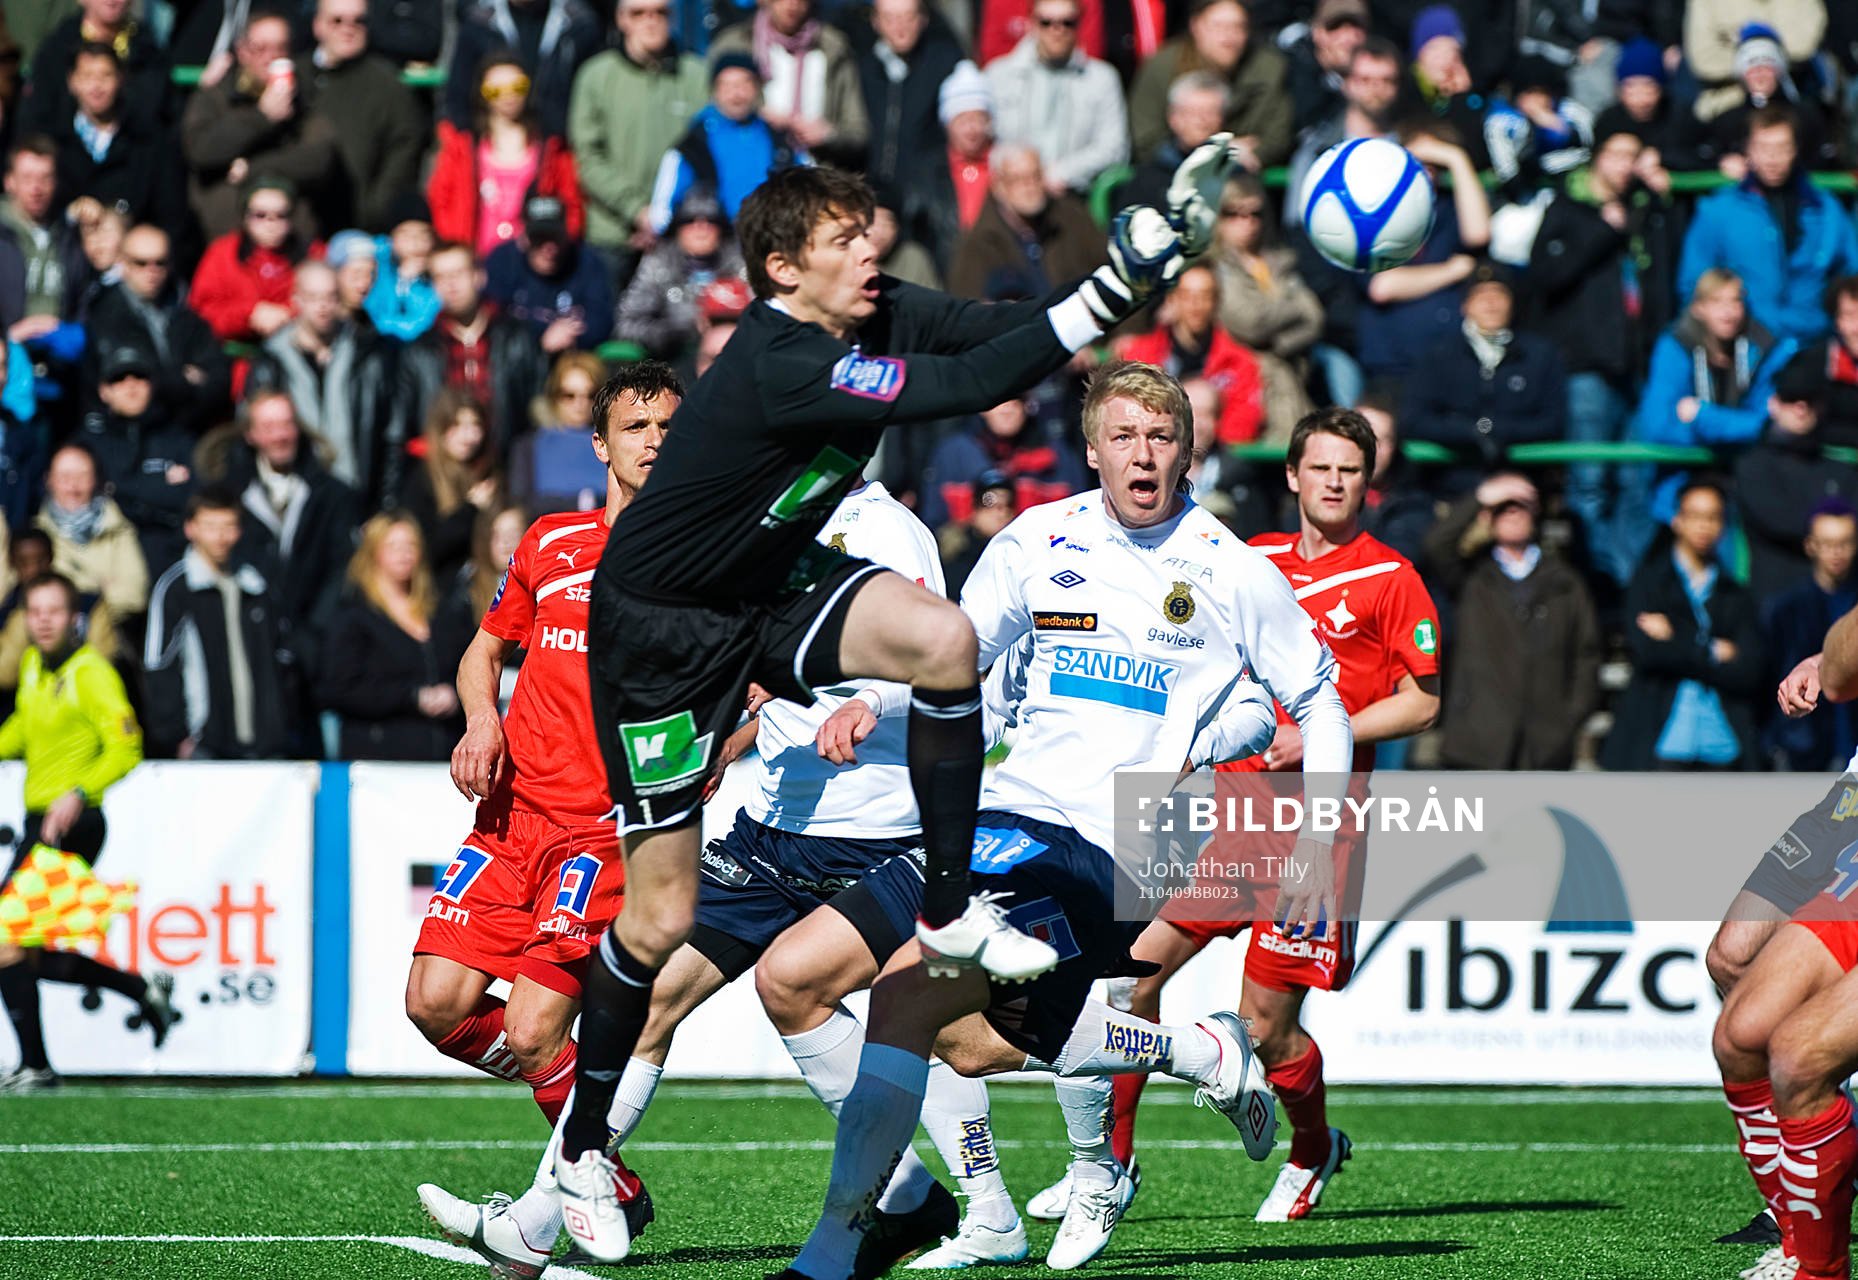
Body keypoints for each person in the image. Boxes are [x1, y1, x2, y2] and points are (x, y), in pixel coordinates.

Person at [549, 156, 1225, 1260]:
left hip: (763, 587)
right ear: (783, 266)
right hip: (660, 631)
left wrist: (1119, 278)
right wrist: (1112, 287)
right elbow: (961, 387)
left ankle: (948, 902)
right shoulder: (781, 358)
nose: (873, 250)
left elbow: (989, 331)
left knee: (941, 638)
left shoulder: (871, 310)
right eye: (844, 239)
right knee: (660, 919)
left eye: (869, 229)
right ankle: (580, 1147)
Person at [772, 363, 1351, 1279]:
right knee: (803, 981)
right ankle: (1196, 1052)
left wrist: (1317, 841)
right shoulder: (1039, 538)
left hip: (1113, 842)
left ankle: (833, 1253)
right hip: (997, 814)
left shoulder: (1231, 570)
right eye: (1122, 436)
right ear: (1091, 450)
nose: (1142, 454)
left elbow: (1320, 704)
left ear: (1188, 450)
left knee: (906, 995)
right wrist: (879, 704)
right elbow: (953, 647)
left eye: (1161, 437)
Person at [1084, 405, 1435, 1234]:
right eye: (1319, 467)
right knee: (1127, 980)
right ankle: (1111, 1164)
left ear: (1367, 482)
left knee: (1267, 1033)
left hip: (1320, 832)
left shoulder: (1392, 578)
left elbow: (1421, 703)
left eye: (1349, 470)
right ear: (1291, 476)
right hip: (1225, 823)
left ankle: (1313, 1149)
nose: (1334, 482)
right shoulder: (1250, 559)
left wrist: (1313, 730)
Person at [405, 364, 685, 1273]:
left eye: (668, 426)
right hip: (508, 817)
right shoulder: (550, 541)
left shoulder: (699, 559)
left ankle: (582, 1164)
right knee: (434, 1007)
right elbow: (482, 655)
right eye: (635, 425)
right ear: (600, 444)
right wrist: (482, 719)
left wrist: (703, 762)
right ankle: (603, 1166)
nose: (653, 439)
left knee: (531, 1032)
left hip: (599, 831)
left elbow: (746, 687)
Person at [0, 570, 169, 1093]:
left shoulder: (90, 670)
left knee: (7, 940)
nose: (44, 621)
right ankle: (139, 989)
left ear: (74, 618)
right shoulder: (32, 666)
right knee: (27, 954)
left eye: (54, 611)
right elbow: (23, 733)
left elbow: (126, 745)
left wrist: (79, 790)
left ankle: (37, 1066)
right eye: (35, 611)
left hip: (73, 823)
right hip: (40, 822)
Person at [1527, 122, 1676, 584]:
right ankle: (1603, 586)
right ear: (1597, 158)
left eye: (1633, 155)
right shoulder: (1567, 206)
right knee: (1587, 486)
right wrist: (1602, 232)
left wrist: (1663, 201)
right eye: (1616, 153)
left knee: (1637, 482)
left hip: (1639, 366)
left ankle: (1629, 586)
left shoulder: (1643, 209)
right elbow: (1545, 276)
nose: (1624, 165)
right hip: (1586, 368)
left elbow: (1671, 274)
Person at [1422, 471, 1600, 768]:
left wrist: (1568, 720)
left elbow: (1587, 655)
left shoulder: (1566, 582)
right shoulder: (1471, 576)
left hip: (1543, 746)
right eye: (1502, 507)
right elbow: (1435, 545)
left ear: (1537, 512)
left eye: (1521, 504)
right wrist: (1481, 496)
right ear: (1487, 516)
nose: (1513, 513)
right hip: (1476, 742)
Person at [1603, 477, 1766, 771]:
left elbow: (1750, 669)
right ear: (1677, 519)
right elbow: (1648, 653)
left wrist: (1677, 636)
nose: (1704, 526)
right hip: (1662, 743)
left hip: (1723, 746)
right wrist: (1714, 651)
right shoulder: (1649, 583)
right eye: (1695, 516)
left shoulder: (1736, 594)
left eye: (1713, 517)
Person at [1678, 106, 1858, 347]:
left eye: (1781, 148)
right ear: (1749, 150)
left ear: (1795, 150)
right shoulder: (1720, 210)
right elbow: (1693, 283)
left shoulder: (1826, 209)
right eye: (1764, 148)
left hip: (1815, 340)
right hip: (1747, 343)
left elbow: (1851, 271)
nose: (1772, 158)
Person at [141, 490, 300, 760]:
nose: (220, 536)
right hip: (204, 742)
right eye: (210, 526)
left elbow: (282, 656)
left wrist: (280, 721)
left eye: (228, 526)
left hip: (265, 742)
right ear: (191, 528)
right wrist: (176, 733)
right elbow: (160, 664)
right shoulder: (176, 587)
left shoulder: (257, 585)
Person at [1635, 268, 1797, 527]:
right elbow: (1658, 427)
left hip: (1743, 486)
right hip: (1679, 491)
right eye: (1717, 301)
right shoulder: (1676, 346)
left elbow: (1768, 423)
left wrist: (1702, 416)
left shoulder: (1762, 347)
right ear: (1698, 307)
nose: (1729, 312)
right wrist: (1736, 434)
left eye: (1735, 301)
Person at [244, 260, 401, 510]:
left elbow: (392, 433)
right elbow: (251, 432)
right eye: (313, 297)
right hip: (296, 500)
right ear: (296, 299)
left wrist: (386, 503)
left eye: (331, 297)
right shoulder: (271, 361)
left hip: (359, 493)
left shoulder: (369, 355)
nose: (323, 307)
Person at [318, 514, 473, 760]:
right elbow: (339, 688)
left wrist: (456, 694)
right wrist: (412, 697)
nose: (404, 554)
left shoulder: (441, 612)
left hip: (441, 757)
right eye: (392, 546)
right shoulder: (353, 616)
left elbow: (463, 665)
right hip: (379, 762)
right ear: (373, 553)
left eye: (410, 545)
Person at [568, 0, 708, 272]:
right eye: (639, 13)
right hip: (612, 233)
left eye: (660, 12)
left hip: (681, 232)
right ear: (622, 19)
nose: (650, 21)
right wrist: (637, 210)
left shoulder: (696, 75)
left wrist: (666, 214)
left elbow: (705, 152)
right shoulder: (596, 76)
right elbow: (587, 157)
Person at [180, 10, 341, 242]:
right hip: (226, 238)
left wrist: (251, 169)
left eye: (280, 48)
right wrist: (262, 117)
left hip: (291, 242)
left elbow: (318, 159)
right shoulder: (217, 96)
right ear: (242, 51)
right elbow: (201, 150)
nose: (271, 57)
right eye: (261, 48)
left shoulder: (304, 100)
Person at [1402, 264, 1565, 483]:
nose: (1490, 302)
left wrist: (1498, 430)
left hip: (1520, 485)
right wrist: (1471, 431)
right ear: (1465, 305)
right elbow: (1414, 420)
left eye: (1499, 294)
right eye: (1481, 295)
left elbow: (1552, 422)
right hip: (1452, 486)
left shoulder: (1539, 356)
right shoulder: (1438, 357)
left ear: (1512, 303)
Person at [395, 241, 550, 453]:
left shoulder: (518, 338)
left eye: (458, 273)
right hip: (445, 472)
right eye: (441, 277)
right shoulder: (419, 352)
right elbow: (403, 427)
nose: (450, 284)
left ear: (479, 276)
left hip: (506, 465)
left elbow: (538, 407)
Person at [429, 53, 586, 261]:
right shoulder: (462, 145)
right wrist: (458, 249)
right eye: (495, 90)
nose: (508, 96)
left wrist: (554, 249)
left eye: (517, 87)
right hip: (476, 262)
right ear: (481, 94)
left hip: (532, 265)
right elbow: (441, 199)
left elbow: (571, 204)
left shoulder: (550, 145)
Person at [82, 224, 230, 431]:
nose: (152, 271)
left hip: (185, 430)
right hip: (127, 433)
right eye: (141, 263)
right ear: (123, 263)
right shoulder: (104, 315)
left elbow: (219, 379)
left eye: (160, 263)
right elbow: (134, 379)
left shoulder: (184, 313)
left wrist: (166, 381)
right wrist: (185, 378)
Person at [298, 0, 425, 233]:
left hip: (359, 227)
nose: (348, 28)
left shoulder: (388, 84)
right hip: (294, 226)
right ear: (318, 25)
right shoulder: (296, 75)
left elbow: (404, 152)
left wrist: (373, 211)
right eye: (337, 20)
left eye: (359, 20)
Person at [45, 42, 187, 247]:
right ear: (72, 81)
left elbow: (170, 214)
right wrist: (72, 213)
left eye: (106, 76)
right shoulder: (54, 142)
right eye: (87, 76)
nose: (96, 87)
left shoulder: (149, 142)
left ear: (121, 79)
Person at [645, 53, 802, 237]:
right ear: (714, 90)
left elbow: (806, 189)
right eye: (726, 85)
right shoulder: (694, 143)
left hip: (770, 241)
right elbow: (662, 213)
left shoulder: (778, 139)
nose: (736, 94)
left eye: (745, 84)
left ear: (757, 88)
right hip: (715, 253)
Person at [983, 0, 1128, 196]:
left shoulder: (1102, 78)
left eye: (1067, 22)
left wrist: (1063, 173)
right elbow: (984, 142)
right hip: (1009, 196)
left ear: (1079, 25)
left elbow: (1114, 149)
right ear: (1032, 23)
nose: (1057, 30)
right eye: (1046, 22)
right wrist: (1023, 175)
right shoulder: (997, 75)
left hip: (1073, 195)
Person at [1127, 0, 1291, 168]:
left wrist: (1235, 156)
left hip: (1243, 174)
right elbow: (1146, 139)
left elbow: (1277, 139)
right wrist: (1210, 153)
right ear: (1195, 25)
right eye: (1217, 26)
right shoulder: (1163, 66)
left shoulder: (1268, 68)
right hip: (1171, 172)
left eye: (1238, 27)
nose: (1228, 37)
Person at [1113, 261, 1264, 444]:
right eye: (1187, 296)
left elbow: (1244, 423)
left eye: (1204, 296)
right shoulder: (1139, 356)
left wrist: (1201, 435)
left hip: (1214, 456)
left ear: (1216, 301)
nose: (1196, 305)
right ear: (1172, 299)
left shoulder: (1239, 361)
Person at [79, 343, 196, 577]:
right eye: (119, 379)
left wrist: (120, 489)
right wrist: (158, 487)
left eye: (139, 377)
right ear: (104, 390)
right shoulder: (87, 441)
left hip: (170, 558)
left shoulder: (178, 437)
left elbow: (193, 499)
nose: (130, 385)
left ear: (152, 385)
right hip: (105, 564)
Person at [708, 0, 869, 169]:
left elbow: (857, 131)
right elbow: (714, 113)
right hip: (755, 170)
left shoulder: (834, 49)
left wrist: (827, 134)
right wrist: (757, 118)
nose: (792, 5)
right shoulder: (734, 45)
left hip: (817, 172)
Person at [1760, 502, 1858, 771]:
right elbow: (1766, 678)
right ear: (1810, 545)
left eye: (1845, 543)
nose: (1836, 552)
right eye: (1827, 543)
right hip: (1800, 747)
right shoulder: (1784, 609)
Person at [947, 144, 1103, 303]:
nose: (1029, 187)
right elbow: (968, 310)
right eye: (1018, 179)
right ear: (998, 185)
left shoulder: (1072, 218)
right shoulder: (978, 244)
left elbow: (1107, 270)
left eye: (1035, 176)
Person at [614, 187, 748, 362]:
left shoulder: (740, 265)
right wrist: (674, 333)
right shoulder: (659, 263)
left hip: (733, 359)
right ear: (678, 228)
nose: (701, 228)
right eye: (690, 220)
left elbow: (763, 318)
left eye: (710, 220)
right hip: (674, 360)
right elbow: (625, 324)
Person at [444, 0, 602, 142]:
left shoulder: (580, 23)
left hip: (561, 148)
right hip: (493, 149)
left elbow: (593, 100)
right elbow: (458, 98)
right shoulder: (478, 23)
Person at [190, 179, 324, 346]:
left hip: (299, 352)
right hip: (236, 359)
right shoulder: (222, 253)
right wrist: (250, 314)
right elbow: (201, 313)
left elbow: (332, 303)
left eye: (281, 215)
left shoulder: (314, 254)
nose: (271, 224)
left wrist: (288, 313)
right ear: (245, 217)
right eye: (260, 215)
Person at [857, 0, 964, 194]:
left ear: (923, 18)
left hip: (927, 193)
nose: (900, 27)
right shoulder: (861, 65)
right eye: (890, 18)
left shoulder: (946, 62)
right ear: (875, 21)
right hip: (874, 189)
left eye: (909, 17)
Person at [400, 390, 506, 584]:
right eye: (456, 425)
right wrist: (471, 509)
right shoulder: (422, 478)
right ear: (439, 429)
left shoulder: (490, 473)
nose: (469, 436)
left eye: (476, 425)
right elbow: (428, 547)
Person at [35, 442, 147, 623]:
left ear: (96, 479)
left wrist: (72, 599)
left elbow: (135, 596)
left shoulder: (119, 528)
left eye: (83, 476)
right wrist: (101, 588)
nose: (73, 486)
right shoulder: (36, 535)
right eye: (64, 476)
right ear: (49, 480)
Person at [510, 351, 609, 512]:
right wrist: (583, 502)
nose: (580, 403)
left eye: (590, 395)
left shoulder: (613, 444)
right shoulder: (529, 446)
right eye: (570, 395)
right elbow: (522, 503)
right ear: (555, 396)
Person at [363, 193, 441, 342]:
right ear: (391, 239)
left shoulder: (439, 273)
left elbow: (428, 320)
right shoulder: (376, 267)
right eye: (406, 236)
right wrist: (403, 282)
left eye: (423, 236)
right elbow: (375, 313)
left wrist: (414, 285)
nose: (415, 244)